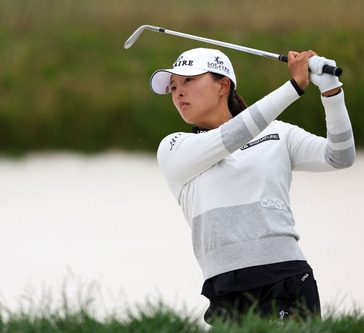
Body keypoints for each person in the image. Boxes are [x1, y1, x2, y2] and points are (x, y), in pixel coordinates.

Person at [149, 48, 355, 324]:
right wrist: (294, 86)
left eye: (188, 80)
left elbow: (340, 156)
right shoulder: (175, 149)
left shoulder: (278, 133)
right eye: (173, 86)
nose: (178, 92)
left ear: (223, 85)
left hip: (285, 277)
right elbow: (233, 135)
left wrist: (331, 90)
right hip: (223, 287)